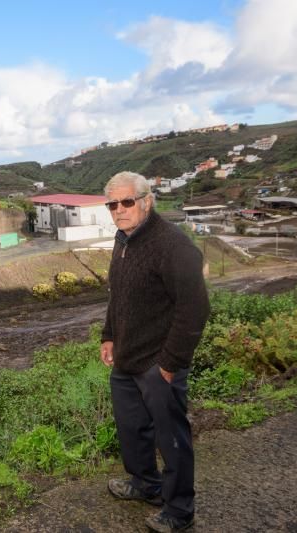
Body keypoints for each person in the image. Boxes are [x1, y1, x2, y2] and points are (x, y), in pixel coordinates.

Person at [99, 171, 209, 532]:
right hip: (127, 359)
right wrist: (109, 336)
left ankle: (179, 511)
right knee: (132, 429)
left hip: (159, 364)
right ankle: (146, 484)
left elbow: (194, 308)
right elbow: (119, 296)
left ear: (147, 201)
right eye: (112, 204)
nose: (118, 210)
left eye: (126, 202)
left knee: (172, 438)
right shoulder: (123, 240)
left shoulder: (172, 246)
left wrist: (171, 362)